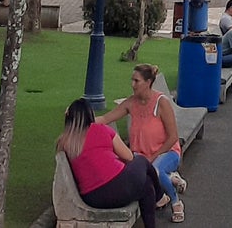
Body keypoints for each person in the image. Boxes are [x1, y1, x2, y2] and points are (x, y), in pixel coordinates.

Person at [98, 65, 187, 222]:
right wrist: (80, 116)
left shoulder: (162, 103)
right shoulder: (130, 103)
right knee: (143, 170)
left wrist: (153, 157)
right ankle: (170, 178)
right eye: (132, 80)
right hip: (141, 155)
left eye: (136, 81)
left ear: (148, 82)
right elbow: (105, 119)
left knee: (156, 169)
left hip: (167, 152)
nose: (133, 84)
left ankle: (175, 201)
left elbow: (173, 137)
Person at [58, 98, 165, 228]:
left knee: (147, 186)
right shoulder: (100, 129)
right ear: (90, 115)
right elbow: (129, 157)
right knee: (141, 160)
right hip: (118, 189)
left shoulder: (64, 142)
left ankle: (158, 201)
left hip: (92, 198)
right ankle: (160, 197)